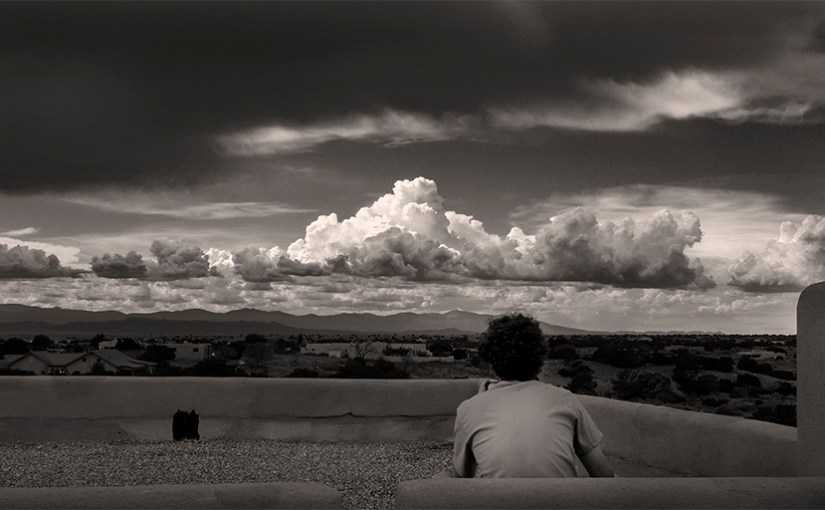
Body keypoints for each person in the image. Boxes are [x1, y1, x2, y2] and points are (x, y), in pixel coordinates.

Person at [451, 313, 614, 478]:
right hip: (562, 502)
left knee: (446, 477)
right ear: (539, 358)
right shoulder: (565, 399)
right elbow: (604, 474)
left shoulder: (468, 408)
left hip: (498, 502)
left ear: (491, 359)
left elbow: (462, 476)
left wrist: (480, 402)